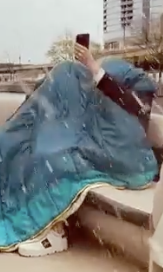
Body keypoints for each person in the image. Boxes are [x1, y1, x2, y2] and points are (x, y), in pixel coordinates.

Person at [10, 42, 154, 257]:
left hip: (124, 159)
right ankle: (38, 225)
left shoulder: (132, 94)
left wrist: (94, 69)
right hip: (104, 149)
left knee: (57, 163)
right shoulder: (99, 93)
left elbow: (131, 107)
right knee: (44, 156)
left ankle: (55, 232)